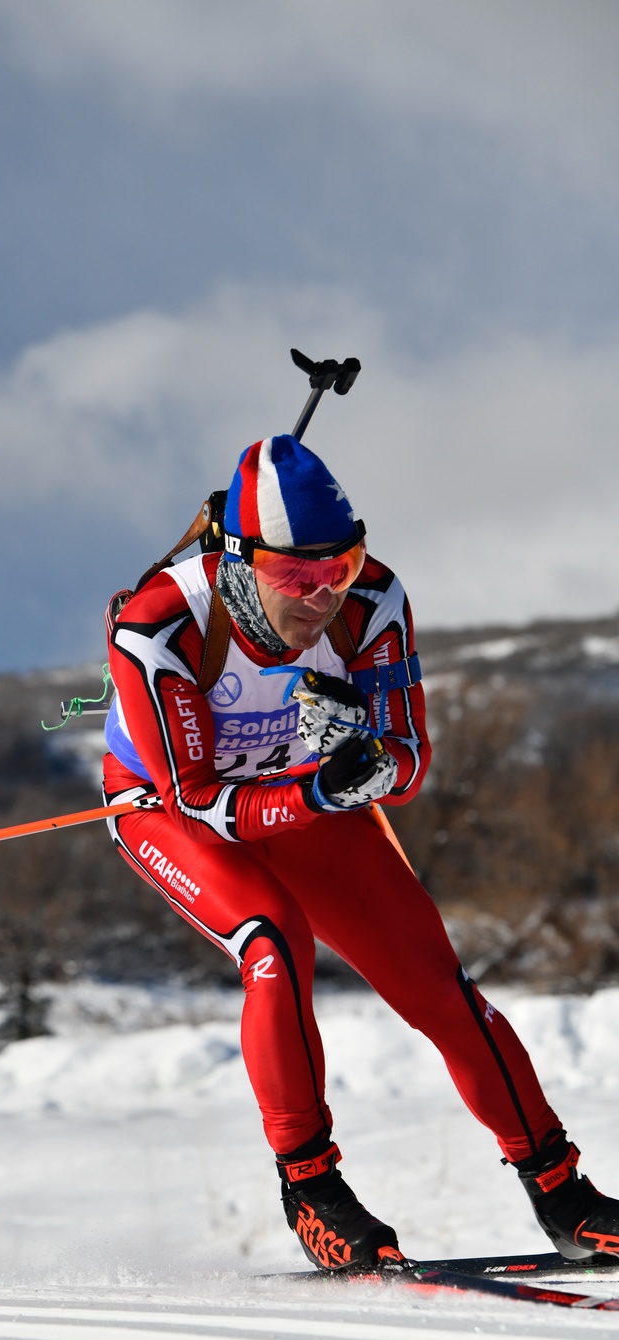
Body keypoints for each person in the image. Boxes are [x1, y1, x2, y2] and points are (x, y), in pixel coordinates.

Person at [103, 433, 619, 1272]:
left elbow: (411, 763)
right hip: (178, 809)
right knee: (273, 943)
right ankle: (312, 1190)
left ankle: (562, 1193)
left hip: (305, 795)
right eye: (293, 580)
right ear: (237, 563)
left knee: (439, 985)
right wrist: (321, 787)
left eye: (338, 568)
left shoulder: (372, 599)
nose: (320, 598)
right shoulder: (160, 625)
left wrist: (366, 759)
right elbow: (202, 802)